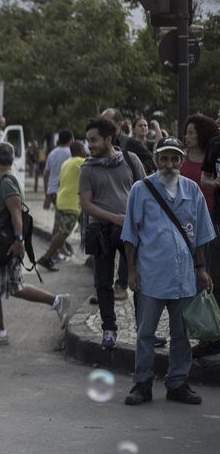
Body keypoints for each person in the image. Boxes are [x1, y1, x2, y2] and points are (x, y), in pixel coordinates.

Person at [122, 137, 216, 406]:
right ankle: (142, 383)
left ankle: (177, 383)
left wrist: (201, 268)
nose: (169, 164)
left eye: (174, 159)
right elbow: (130, 235)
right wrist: (131, 271)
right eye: (164, 158)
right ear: (156, 159)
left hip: (184, 275)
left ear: (181, 161)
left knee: (181, 334)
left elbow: (200, 235)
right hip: (151, 274)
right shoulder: (141, 190)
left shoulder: (193, 191)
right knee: (145, 333)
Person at [0, 142, 72, 346]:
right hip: (6, 243)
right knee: (16, 286)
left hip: (1, 245)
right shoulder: (9, 179)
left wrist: (19, 240)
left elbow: (16, 211)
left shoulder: (7, 182)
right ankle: (57, 301)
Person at [80, 118, 146, 351]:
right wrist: (114, 217)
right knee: (103, 282)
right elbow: (86, 205)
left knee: (138, 281)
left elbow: (145, 192)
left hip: (132, 230)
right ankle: (109, 330)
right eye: (88, 140)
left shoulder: (131, 160)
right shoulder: (87, 168)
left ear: (109, 139)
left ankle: (144, 330)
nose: (90, 145)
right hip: (101, 231)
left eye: (94, 140)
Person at [37, 141, 86, 271]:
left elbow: (59, 182)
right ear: (81, 150)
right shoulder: (81, 162)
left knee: (59, 231)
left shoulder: (66, 163)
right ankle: (46, 257)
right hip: (72, 204)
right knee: (63, 233)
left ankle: (52, 256)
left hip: (61, 200)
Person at [196, 120, 220, 358]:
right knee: (217, 280)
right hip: (219, 219)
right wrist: (216, 183)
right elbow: (205, 178)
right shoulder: (215, 145)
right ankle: (213, 338)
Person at [182, 114, 219, 215]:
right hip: (186, 212)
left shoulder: (213, 157)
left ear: (202, 133)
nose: (186, 137)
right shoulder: (181, 157)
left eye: (190, 133)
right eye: (186, 133)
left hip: (210, 213)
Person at [102, 108, 155, 174]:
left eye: (106, 122)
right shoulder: (101, 143)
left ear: (119, 123)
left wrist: (138, 168)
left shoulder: (130, 143)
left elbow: (152, 160)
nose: (102, 125)